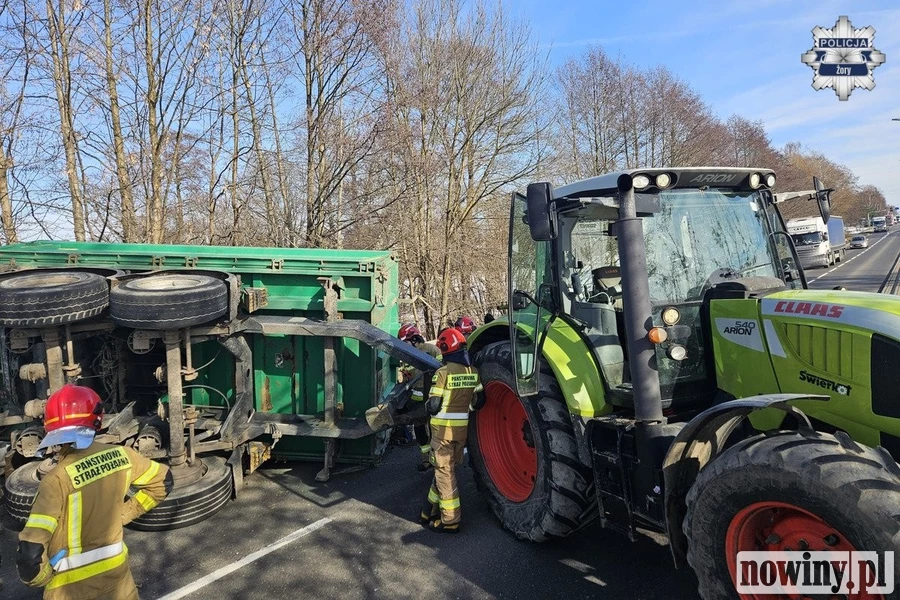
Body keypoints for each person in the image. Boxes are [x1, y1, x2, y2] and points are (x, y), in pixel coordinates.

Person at [17, 384, 172, 600]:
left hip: (69, 591)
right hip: (119, 585)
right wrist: (123, 514)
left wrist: (42, 578)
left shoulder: (56, 479)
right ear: (97, 419)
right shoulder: (123, 456)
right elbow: (163, 481)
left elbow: (30, 556)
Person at [420, 327, 483, 533]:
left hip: (442, 434)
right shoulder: (473, 372)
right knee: (444, 470)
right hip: (460, 433)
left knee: (445, 474)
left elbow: (433, 406)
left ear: (446, 349)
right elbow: (480, 401)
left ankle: (450, 520)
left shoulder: (443, 373)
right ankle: (428, 510)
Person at [397, 323, 442, 471]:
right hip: (416, 403)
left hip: (432, 398)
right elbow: (406, 376)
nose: (404, 345)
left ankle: (439, 461)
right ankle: (426, 460)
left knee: (435, 431)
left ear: (414, 339)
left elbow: (443, 369)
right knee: (420, 431)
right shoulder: (407, 355)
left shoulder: (431, 350)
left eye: (405, 342)